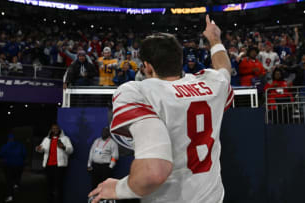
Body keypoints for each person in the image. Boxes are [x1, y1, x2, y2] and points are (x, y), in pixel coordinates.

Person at [89, 15, 233, 203]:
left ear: (147, 67)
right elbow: (224, 69)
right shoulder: (211, 83)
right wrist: (215, 38)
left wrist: (119, 188)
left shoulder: (138, 91)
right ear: (180, 61)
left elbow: (153, 172)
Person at [36, 124, 74, 203]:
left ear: (59, 129)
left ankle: (59, 201)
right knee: (49, 185)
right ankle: (50, 200)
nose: (55, 130)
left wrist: (63, 147)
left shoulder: (65, 138)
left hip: (59, 166)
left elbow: (71, 150)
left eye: (56, 128)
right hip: (48, 165)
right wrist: (38, 148)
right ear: (51, 130)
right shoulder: (46, 139)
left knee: (59, 186)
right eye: (53, 128)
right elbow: (41, 149)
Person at [0, 134, 27, 202]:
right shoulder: (20, 145)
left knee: (9, 181)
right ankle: (16, 184)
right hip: (19, 165)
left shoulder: (5, 145)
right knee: (17, 176)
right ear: (14, 139)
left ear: (8, 139)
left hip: (8, 165)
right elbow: (24, 154)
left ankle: (10, 196)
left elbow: (1, 154)